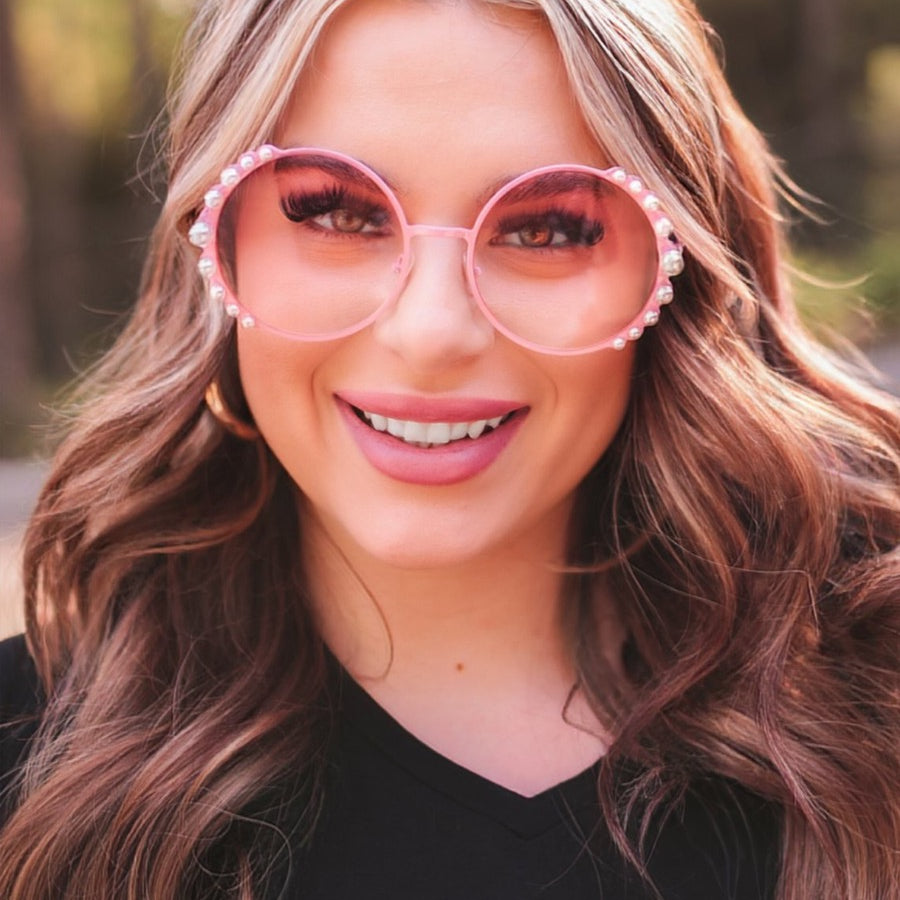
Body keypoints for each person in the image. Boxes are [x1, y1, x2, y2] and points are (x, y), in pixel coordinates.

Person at [0, 0, 898, 897]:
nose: (431, 334)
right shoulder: (23, 759)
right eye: (336, 213)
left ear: (678, 273)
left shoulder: (873, 729)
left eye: (547, 229)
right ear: (215, 242)